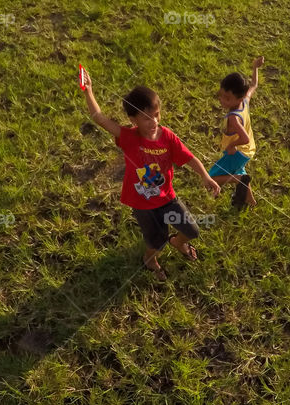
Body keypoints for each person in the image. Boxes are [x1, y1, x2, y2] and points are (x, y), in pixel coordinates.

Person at [81, 69, 220, 281]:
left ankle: (179, 242)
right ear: (133, 119)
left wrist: (205, 176)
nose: (153, 122)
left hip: (167, 199)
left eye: (156, 115)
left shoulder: (168, 138)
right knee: (156, 240)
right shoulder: (128, 137)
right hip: (143, 204)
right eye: (146, 118)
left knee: (191, 229)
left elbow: (190, 158)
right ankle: (150, 259)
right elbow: (99, 118)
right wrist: (89, 91)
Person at [209, 56, 264, 208]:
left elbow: (244, 138)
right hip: (248, 151)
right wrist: (255, 67)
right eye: (220, 95)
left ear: (238, 98)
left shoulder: (233, 118)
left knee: (212, 177)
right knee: (241, 171)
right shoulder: (245, 100)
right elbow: (254, 84)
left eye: (227, 98)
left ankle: (238, 179)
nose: (221, 100)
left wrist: (232, 145)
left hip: (238, 151)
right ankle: (250, 201)